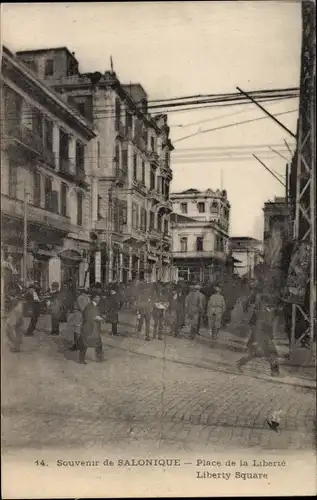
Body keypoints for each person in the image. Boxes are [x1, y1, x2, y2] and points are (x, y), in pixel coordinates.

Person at [236, 282, 280, 377]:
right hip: (261, 336)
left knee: (257, 354)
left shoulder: (269, 313)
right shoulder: (260, 313)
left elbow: (269, 325)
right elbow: (254, 325)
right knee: (270, 353)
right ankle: (275, 372)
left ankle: (239, 364)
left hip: (264, 336)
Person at [77, 290, 105, 364]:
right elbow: (87, 315)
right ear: (93, 298)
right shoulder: (89, 306)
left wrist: (99, 317)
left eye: (99, 297)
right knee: (85, 344)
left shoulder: (95, 306)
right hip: (89, 328)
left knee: (98, 343)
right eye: (97, 297)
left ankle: (100, 358)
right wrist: (96, 318)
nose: (99, 299)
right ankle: (81, 360)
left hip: (94, 328)